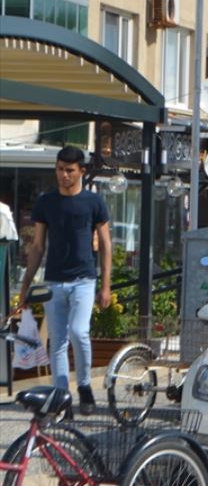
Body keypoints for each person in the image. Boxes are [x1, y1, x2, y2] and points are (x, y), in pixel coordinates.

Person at [18, 147, 113, 414]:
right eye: (60, 169)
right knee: (57, 341)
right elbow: (37, 246)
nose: (64, 175)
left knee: (79, 332)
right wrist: (26, 285)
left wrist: (105, 286)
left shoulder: (94, 203)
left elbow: (105, 244)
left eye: (70, 170)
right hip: (53, 281)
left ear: (81, 171)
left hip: (84, 279)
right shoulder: (45, 202)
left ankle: (84, 385)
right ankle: (62, 399)